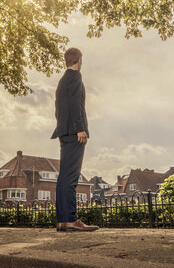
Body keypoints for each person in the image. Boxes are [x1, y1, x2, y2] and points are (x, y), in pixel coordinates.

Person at [51, 47, 99, 232]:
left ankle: (62, 220)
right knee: (71, 177)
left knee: (64, 176)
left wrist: (64, 128)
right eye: (82, 59)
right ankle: (70, 219)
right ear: (78, 59)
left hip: (64, 132)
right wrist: (80, 128)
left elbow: (59, 108)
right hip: (74, 132)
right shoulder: (76, 76)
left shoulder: (62, 81)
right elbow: (74, 104)